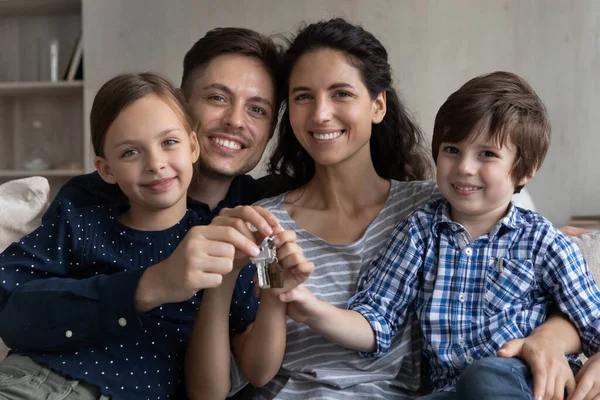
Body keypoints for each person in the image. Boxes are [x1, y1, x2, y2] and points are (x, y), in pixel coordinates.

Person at [185, 19, 591, 400]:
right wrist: (281, 293)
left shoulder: (434, 208)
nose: (321, 113)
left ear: (378, 105)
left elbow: (532, 269)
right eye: (303, 97)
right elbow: (258, 365)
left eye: (341, 93)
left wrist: (548, 339)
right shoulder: (265, 223)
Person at [0, 28, 298, 399]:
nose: (235, 121)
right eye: (218, 97)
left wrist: (272, 288)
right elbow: (12, 308)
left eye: (257, 109)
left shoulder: (258, 215)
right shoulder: (91, 202)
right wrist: (148, 285)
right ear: (182, 103)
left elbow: (247, 369)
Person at [282, 71, 600, 399]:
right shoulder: (420, 231)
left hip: (519, 380)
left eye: (487, 154)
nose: (464, 167)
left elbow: (594, 320)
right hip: (449, 391)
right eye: (452, 149)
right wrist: (313, 310)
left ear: (525, 170)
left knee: (485, 377)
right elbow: (376, 322)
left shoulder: (543, 242)